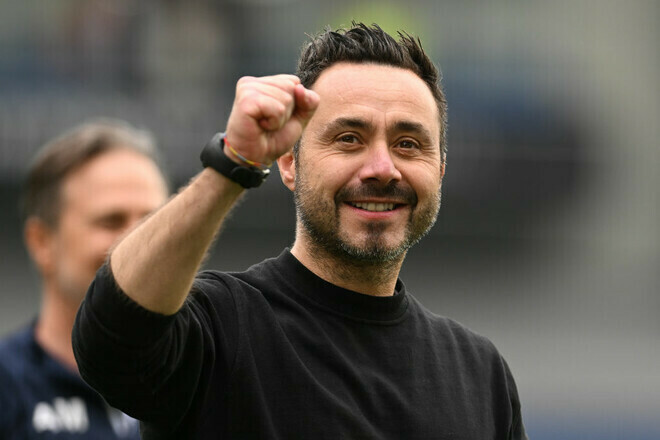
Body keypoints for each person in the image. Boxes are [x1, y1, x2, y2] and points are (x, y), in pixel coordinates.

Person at [73, 23, 528, 439]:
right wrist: (232, 166)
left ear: (440, 171)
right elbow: (109, 337)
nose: (382, 168)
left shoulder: (480, 375)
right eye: (349, 138)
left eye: (408, 144)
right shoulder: (220, 329)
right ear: (289, 162)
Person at [0, 120, 170, 439]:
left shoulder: (201, 384)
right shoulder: (8, 388)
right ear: (42, 242)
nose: (139, 241)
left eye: (153, 220)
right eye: (111, 221)